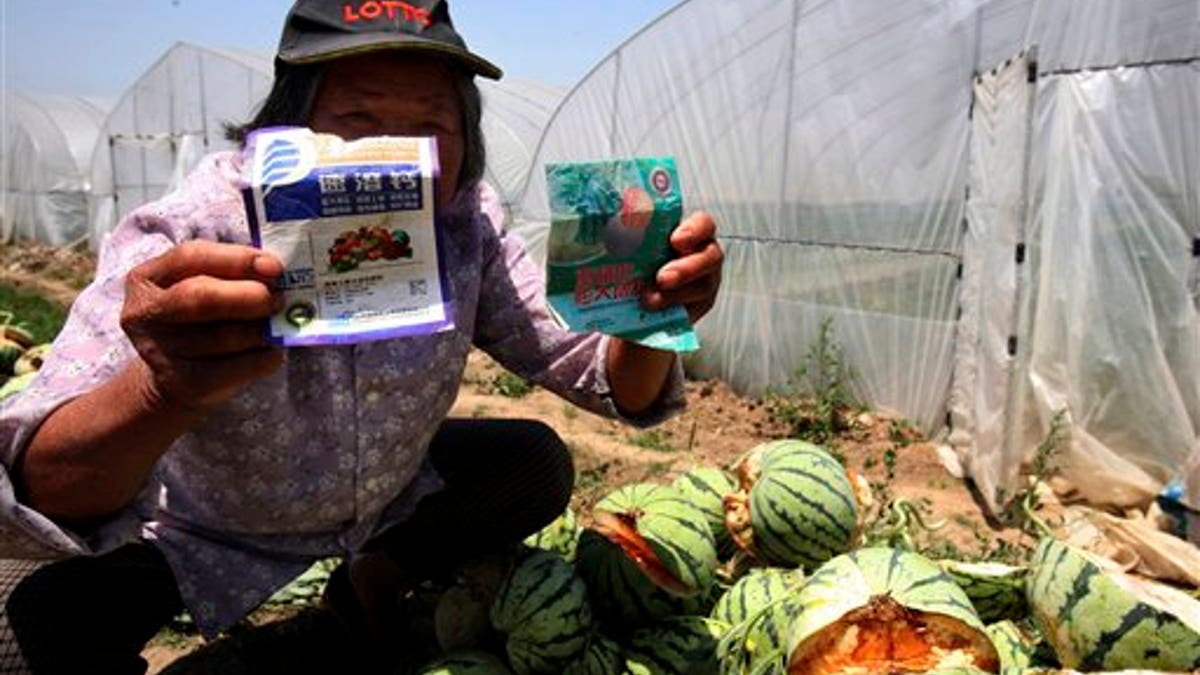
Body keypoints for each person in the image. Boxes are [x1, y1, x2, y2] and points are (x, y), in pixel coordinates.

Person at [0, 1, 724, 673]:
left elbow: (595, 375)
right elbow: (47, 481)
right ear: (285, 126)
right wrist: (162, 390)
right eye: (357, 119)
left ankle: (370, 582)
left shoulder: (465, 225)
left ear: (464, 137)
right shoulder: (194, 232)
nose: (394, 156)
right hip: (198, 533)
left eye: (429, 127)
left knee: (531, 462)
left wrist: (650, 311)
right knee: (14, 632)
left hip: (382, 504)